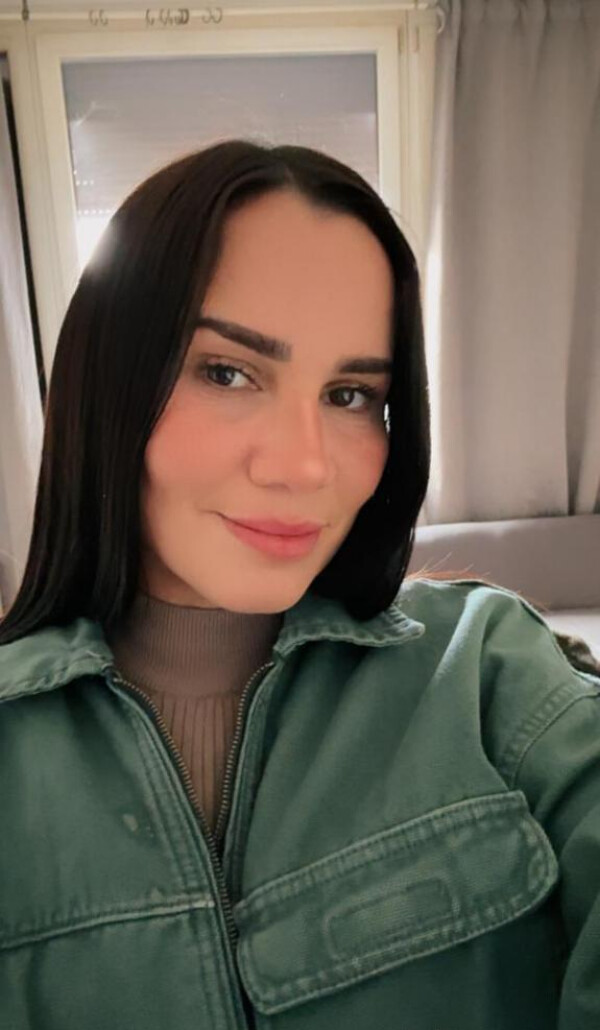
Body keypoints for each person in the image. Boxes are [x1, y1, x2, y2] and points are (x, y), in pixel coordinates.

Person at [0, 139, 598, 1030]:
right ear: (108, 386)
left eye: (350, 394)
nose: (305, 465)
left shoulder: (486, 672)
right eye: (227, 372)